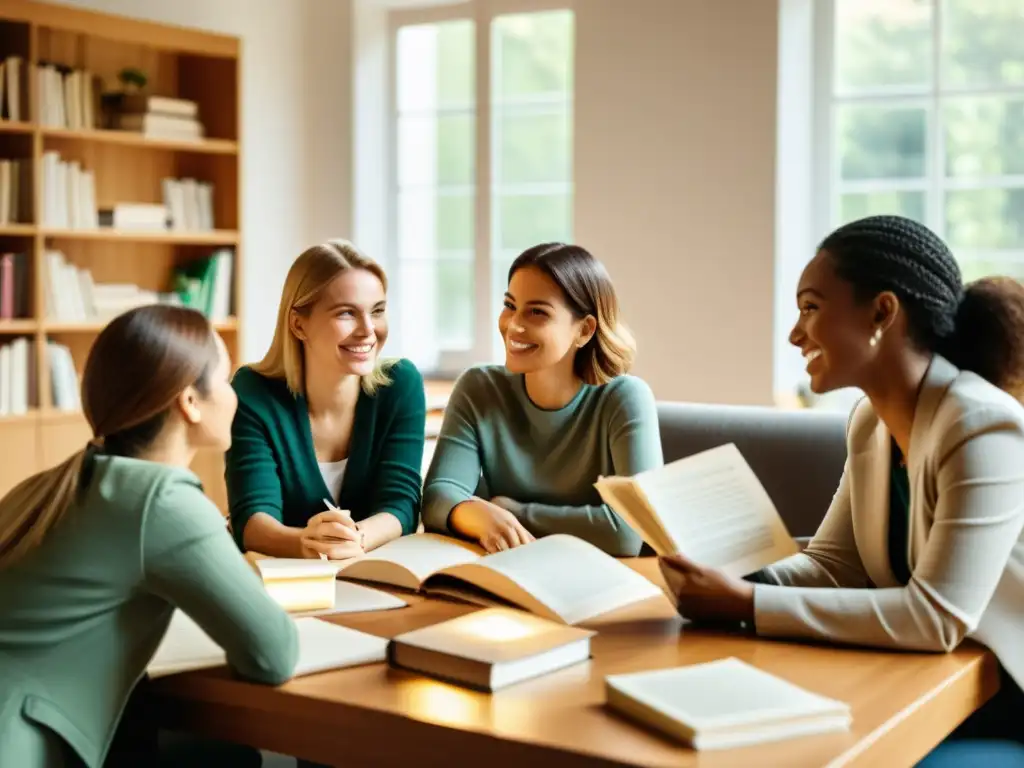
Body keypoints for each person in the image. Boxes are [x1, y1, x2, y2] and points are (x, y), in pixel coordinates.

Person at [658, 215, 1024, 765]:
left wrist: (750, 603)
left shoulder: (981, 426)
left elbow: (937, 619)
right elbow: (832, 565)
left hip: (1001, 699)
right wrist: (732, 572)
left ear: (882, 313)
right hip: (924, 683)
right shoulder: (870, 423)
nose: (795, 333)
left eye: (811, 307)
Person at [0, 305, 299, 768]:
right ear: (190, 402)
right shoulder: (161, 500)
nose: (235, 393)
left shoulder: (51, 485)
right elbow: (273, 653)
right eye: (224, 377)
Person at [421, 242, 662, 556]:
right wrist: (478, 514)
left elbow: (629, 532)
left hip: (602, 583)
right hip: (509, 572)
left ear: (585, 330)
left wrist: (513, 513)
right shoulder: (479, 388)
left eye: (537, 312)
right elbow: (438, 498)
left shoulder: (625, 398)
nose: (514, 325)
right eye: (510, 305)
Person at [226, 240, 425, 560]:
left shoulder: (400, 384)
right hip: (286, 582)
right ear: (298, 324)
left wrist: (356, 538)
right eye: (347, 313)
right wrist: (306, 543)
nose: (368, 330)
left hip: (375, 576)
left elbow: (401, 504)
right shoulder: (252, 392)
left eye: (377, 311)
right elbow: (251, 519)